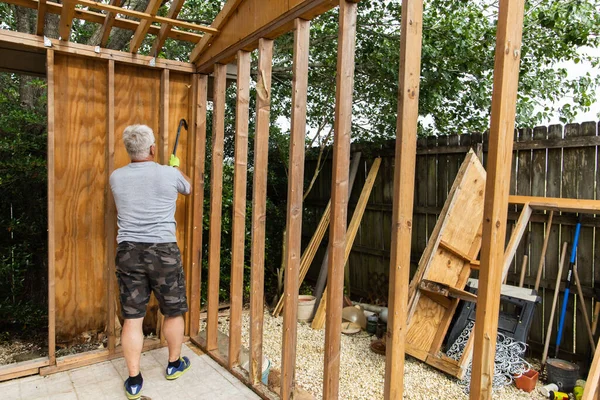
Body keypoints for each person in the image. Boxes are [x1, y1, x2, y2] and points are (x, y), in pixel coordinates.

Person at [109, 124, 192, 400]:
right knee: (173, 310)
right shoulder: (169, 173)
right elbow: (188, 187)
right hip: (163, 252)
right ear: (153, 148)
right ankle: (174, 364)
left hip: (129, 252)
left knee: (132, 318)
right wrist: (175, 168)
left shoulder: (116, 177)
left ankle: (134, 381)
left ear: (128, 150)